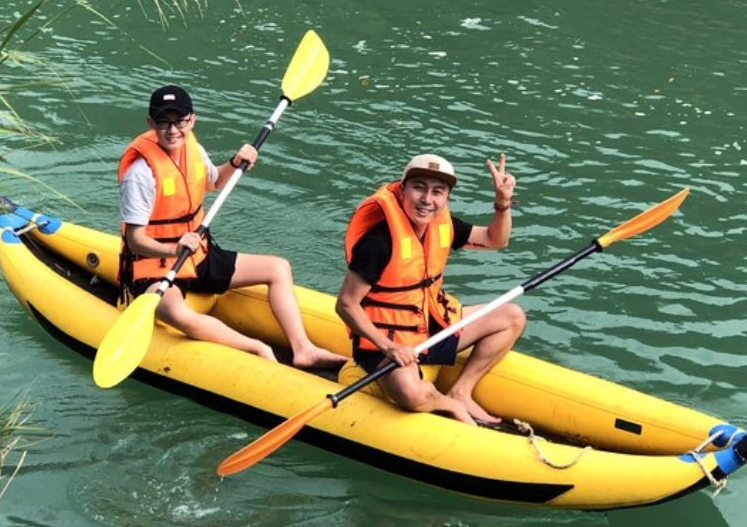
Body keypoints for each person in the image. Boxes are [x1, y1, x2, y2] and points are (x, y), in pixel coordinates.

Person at [118, 85, 345, 369]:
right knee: (179, 314)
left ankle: (303, 349)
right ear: (151, 123)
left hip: (198, 255)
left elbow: (213, 182)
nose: (172, 129)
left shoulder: (194, 149)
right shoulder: (139, 174)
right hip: (155, 267)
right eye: (163, 121)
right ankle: (256, 347)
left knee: (278, 268)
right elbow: (134, 239)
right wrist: (173, 248)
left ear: (192, 120)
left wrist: (235, 163)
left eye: (180, 120)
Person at [335, 153, 524, 425]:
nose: (427, 200)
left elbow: (496, 240)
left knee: (512, 316)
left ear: (446, 197)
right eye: (419, 187)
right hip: (387, 340)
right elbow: (345, 305)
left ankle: (461, 391)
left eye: (438, 192)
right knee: (408, 391)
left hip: (432, 325)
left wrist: (503, 203)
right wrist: (388, 347)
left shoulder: (443, 225)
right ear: (402, 190)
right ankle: (444, 401)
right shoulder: (377, 242)